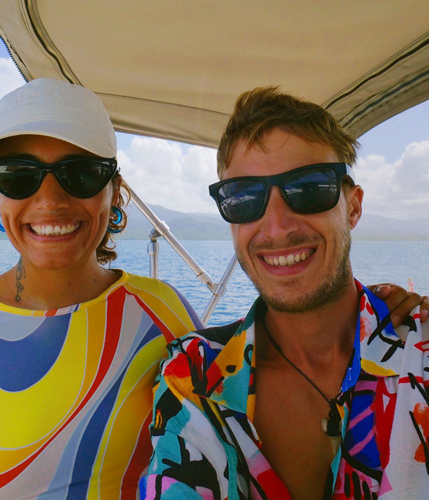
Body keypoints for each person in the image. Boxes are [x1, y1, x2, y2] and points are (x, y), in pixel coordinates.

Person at [0, 79, 423, 500]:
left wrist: (380, 312)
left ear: (114, 192)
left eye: (80, 174)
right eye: (17, 176)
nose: (50, 199)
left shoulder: (166, 320)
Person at [140, 87, 429, 499]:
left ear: (353, 207)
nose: (277, 227)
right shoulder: (194, 376)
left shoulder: (419, 354)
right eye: (244, 198)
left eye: (308, 188)